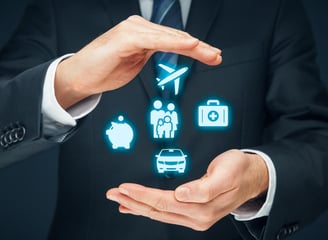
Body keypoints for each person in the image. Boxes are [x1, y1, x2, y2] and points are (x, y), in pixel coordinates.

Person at [0, 0, 327, 240]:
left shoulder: (272, 8)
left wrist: (259, 176)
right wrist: (69, 82)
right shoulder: (61, 7)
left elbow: (314, 136)